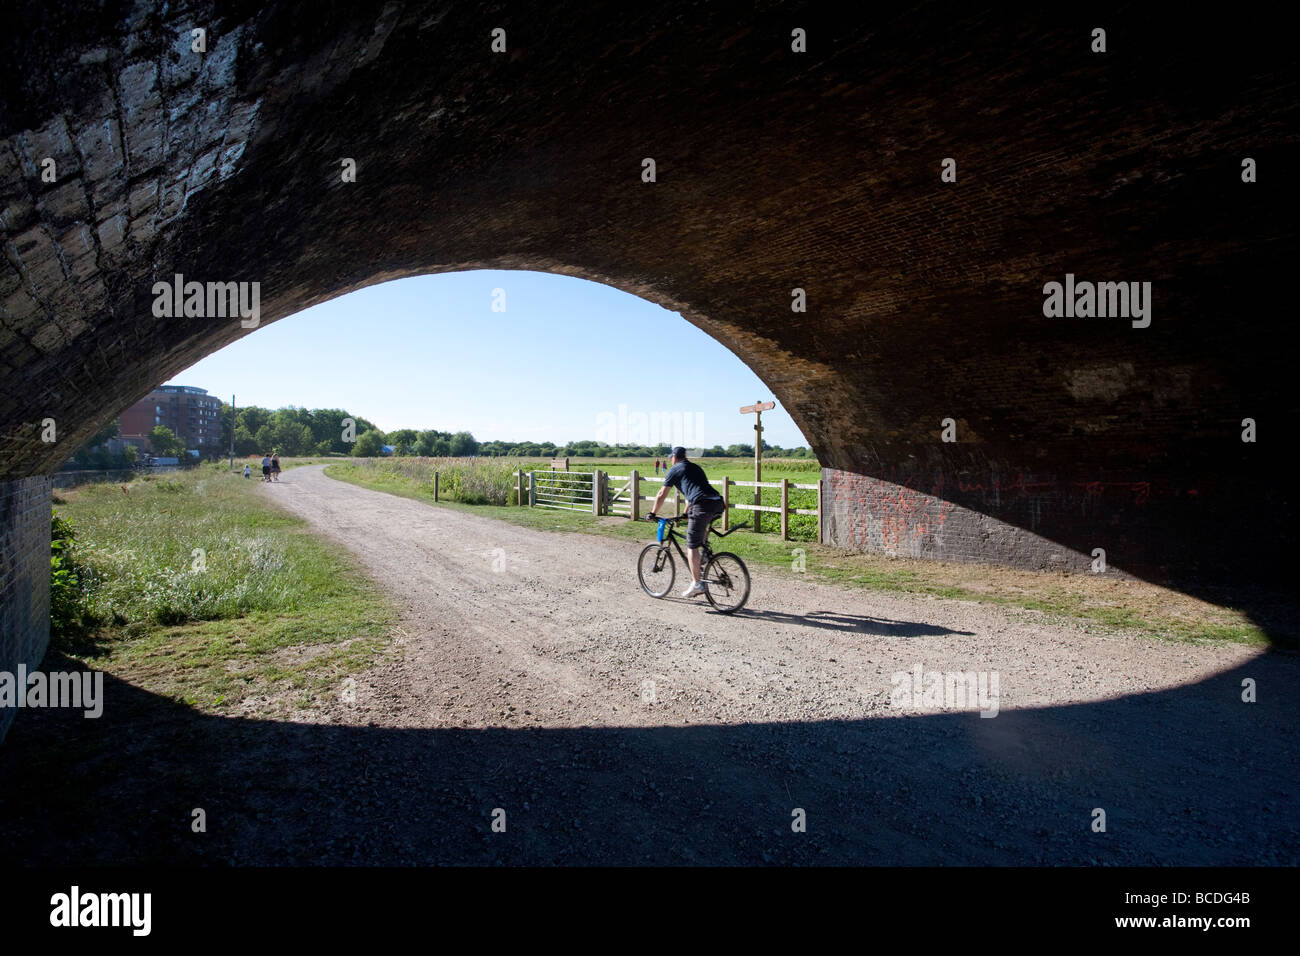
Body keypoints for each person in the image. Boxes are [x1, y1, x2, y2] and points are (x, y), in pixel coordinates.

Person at [648, 446, 725, 598]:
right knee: (700, 534)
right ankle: (704, 556)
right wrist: (685, 513)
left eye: (671, 458)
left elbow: (662, 493)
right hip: (717, 503)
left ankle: (697, 584)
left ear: (675, 458)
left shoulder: (675, 469)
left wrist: (652, 513)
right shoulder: (695, 467)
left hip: (702, 505)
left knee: (691, 545)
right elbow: (693, 492)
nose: (671, 460)